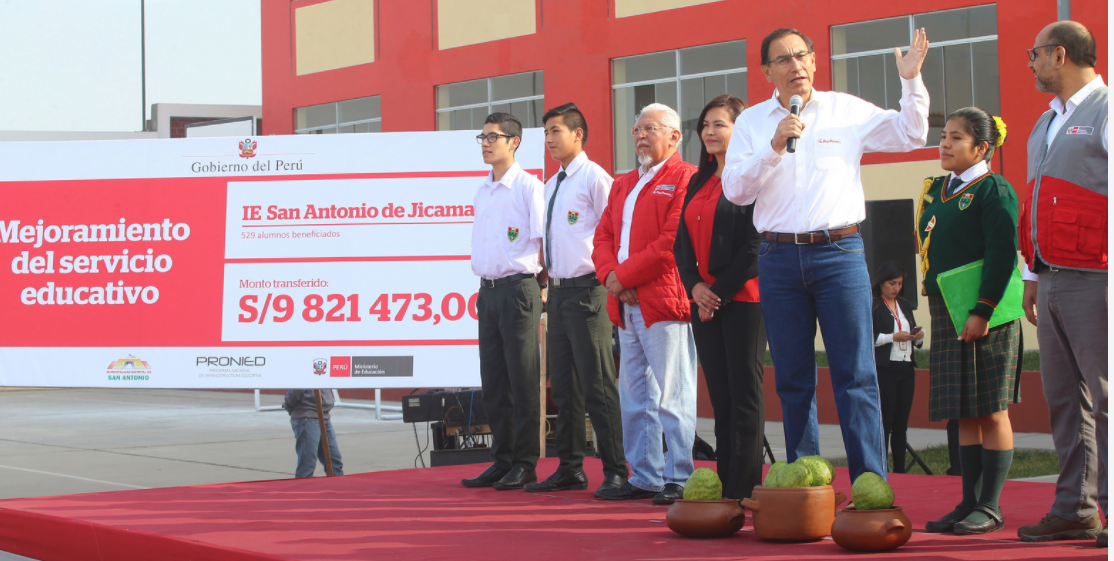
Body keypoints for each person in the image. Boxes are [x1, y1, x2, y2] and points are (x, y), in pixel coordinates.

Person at [721, 27, 930, 484]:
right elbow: (735, 190)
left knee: (856, 373)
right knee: (793, 378)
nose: (795, 65)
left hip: (839, 254)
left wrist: (910, 79)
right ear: (767, 71)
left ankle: (869, 483)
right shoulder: (753, 123)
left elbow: (912, 133)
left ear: (814, 61)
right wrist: (774, 147)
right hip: (778, 257)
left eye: (801, 55)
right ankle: (806, 481)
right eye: (783, 59)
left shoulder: (845, 110)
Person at [1017, 21, 1107, 548]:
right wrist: (1031, 276)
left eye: (1034, 54)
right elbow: (1037, 204)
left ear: (1059, 54)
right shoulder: (1046, 121)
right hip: (1049, 278)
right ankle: (1076, 508)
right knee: (1064, 401)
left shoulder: (1107, 111)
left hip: (1096, 277)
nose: (1030, 63)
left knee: (1107, 398)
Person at [919, 107, 1020, 535]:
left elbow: (1002, 254)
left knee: (991, 410)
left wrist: (982, 310)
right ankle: (968, 502)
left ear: (981, 148)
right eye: (944, 135)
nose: (945, 143)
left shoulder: (993, 189)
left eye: (956, 137)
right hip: (947, 311)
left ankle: (990, 506)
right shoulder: (937, 189)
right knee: (965, 412)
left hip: (984, 313)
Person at [592, 103, 697, 504]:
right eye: (637, 129)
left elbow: (671, 242)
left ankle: (680, 476)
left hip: (663, 301)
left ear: (674, 136)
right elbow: (602, 236)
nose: (640, 135)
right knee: (635, 397)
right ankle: (645, 475)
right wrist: (612, 278)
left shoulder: (685, 178)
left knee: (673, 394)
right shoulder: (623, 183)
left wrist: (623, 278)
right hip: (625, 303)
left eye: (650, 128)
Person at [524, 103, 627, 497]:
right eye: (546, 133)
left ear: (578, 134)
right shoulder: (551, 184)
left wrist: (614, 279)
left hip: (588, 290)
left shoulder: (595, 178)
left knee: (598, 383)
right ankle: (570, 468)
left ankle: (616, 470)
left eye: (556, 131)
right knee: (564, 387)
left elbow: (615, 232)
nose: (549, 140)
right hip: (558, 293)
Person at [673, 94, 766, 500]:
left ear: (740, 129)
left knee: (744, 395)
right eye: (705, 125)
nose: (709, 132)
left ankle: (745, 488)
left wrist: (717, 294)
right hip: (703, 303)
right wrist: (695, 288)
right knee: (721, 398)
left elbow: (755, 246)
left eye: (719, 124)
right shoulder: (699, 179)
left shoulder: (752, 178)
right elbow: (680, 244)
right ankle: (725, 486)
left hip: (744, 300)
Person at [461, 113, 546, 491]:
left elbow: (545, 243)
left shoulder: (529, 187)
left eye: (493, 137)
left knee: (522, 380)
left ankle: (525, 463)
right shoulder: (483, 191)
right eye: (482, 137)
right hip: (488, 292)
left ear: (514, 142)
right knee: (494, 381)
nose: (485, 143)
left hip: (518, 289)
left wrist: (542, 288)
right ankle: (503, 460)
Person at [870, 260, 923, 474]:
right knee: (885, 422)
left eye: (899, 283)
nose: (896, 288)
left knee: (901, 424)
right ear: (881, 282)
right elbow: (867, 338)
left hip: (906, 368)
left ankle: (900, 470)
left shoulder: (905, 305)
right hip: (886, 368)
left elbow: (913, 335)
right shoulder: (874, 305)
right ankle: (881, 468)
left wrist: (918, 336)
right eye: (892, 283)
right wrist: (893, 337)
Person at [284, 389, 344, 478]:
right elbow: (295, 392)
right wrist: (289, 407)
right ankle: (303, 486)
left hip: (324, 416)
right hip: (307, 418)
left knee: (334, 462)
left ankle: (337, 485)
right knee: (307, 464)